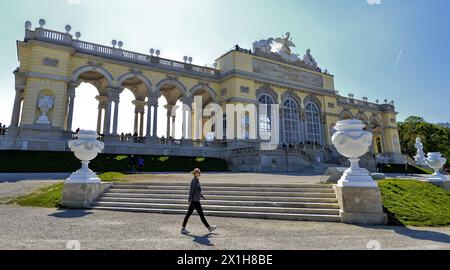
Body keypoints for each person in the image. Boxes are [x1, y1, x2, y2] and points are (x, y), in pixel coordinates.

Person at [181, 168, 217, 234]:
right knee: (201, 215)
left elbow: (197, 191)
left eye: (199, 172)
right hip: (195, 201)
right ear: (194, 173)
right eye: (197, 172)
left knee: (188, 214)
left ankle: (183, 229)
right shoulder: (193, 181)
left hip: (196, 200)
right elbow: (191, 191)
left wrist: (202, 196)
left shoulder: (197, 181)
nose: (198, 173)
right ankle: (209, 228)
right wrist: (189, 200)